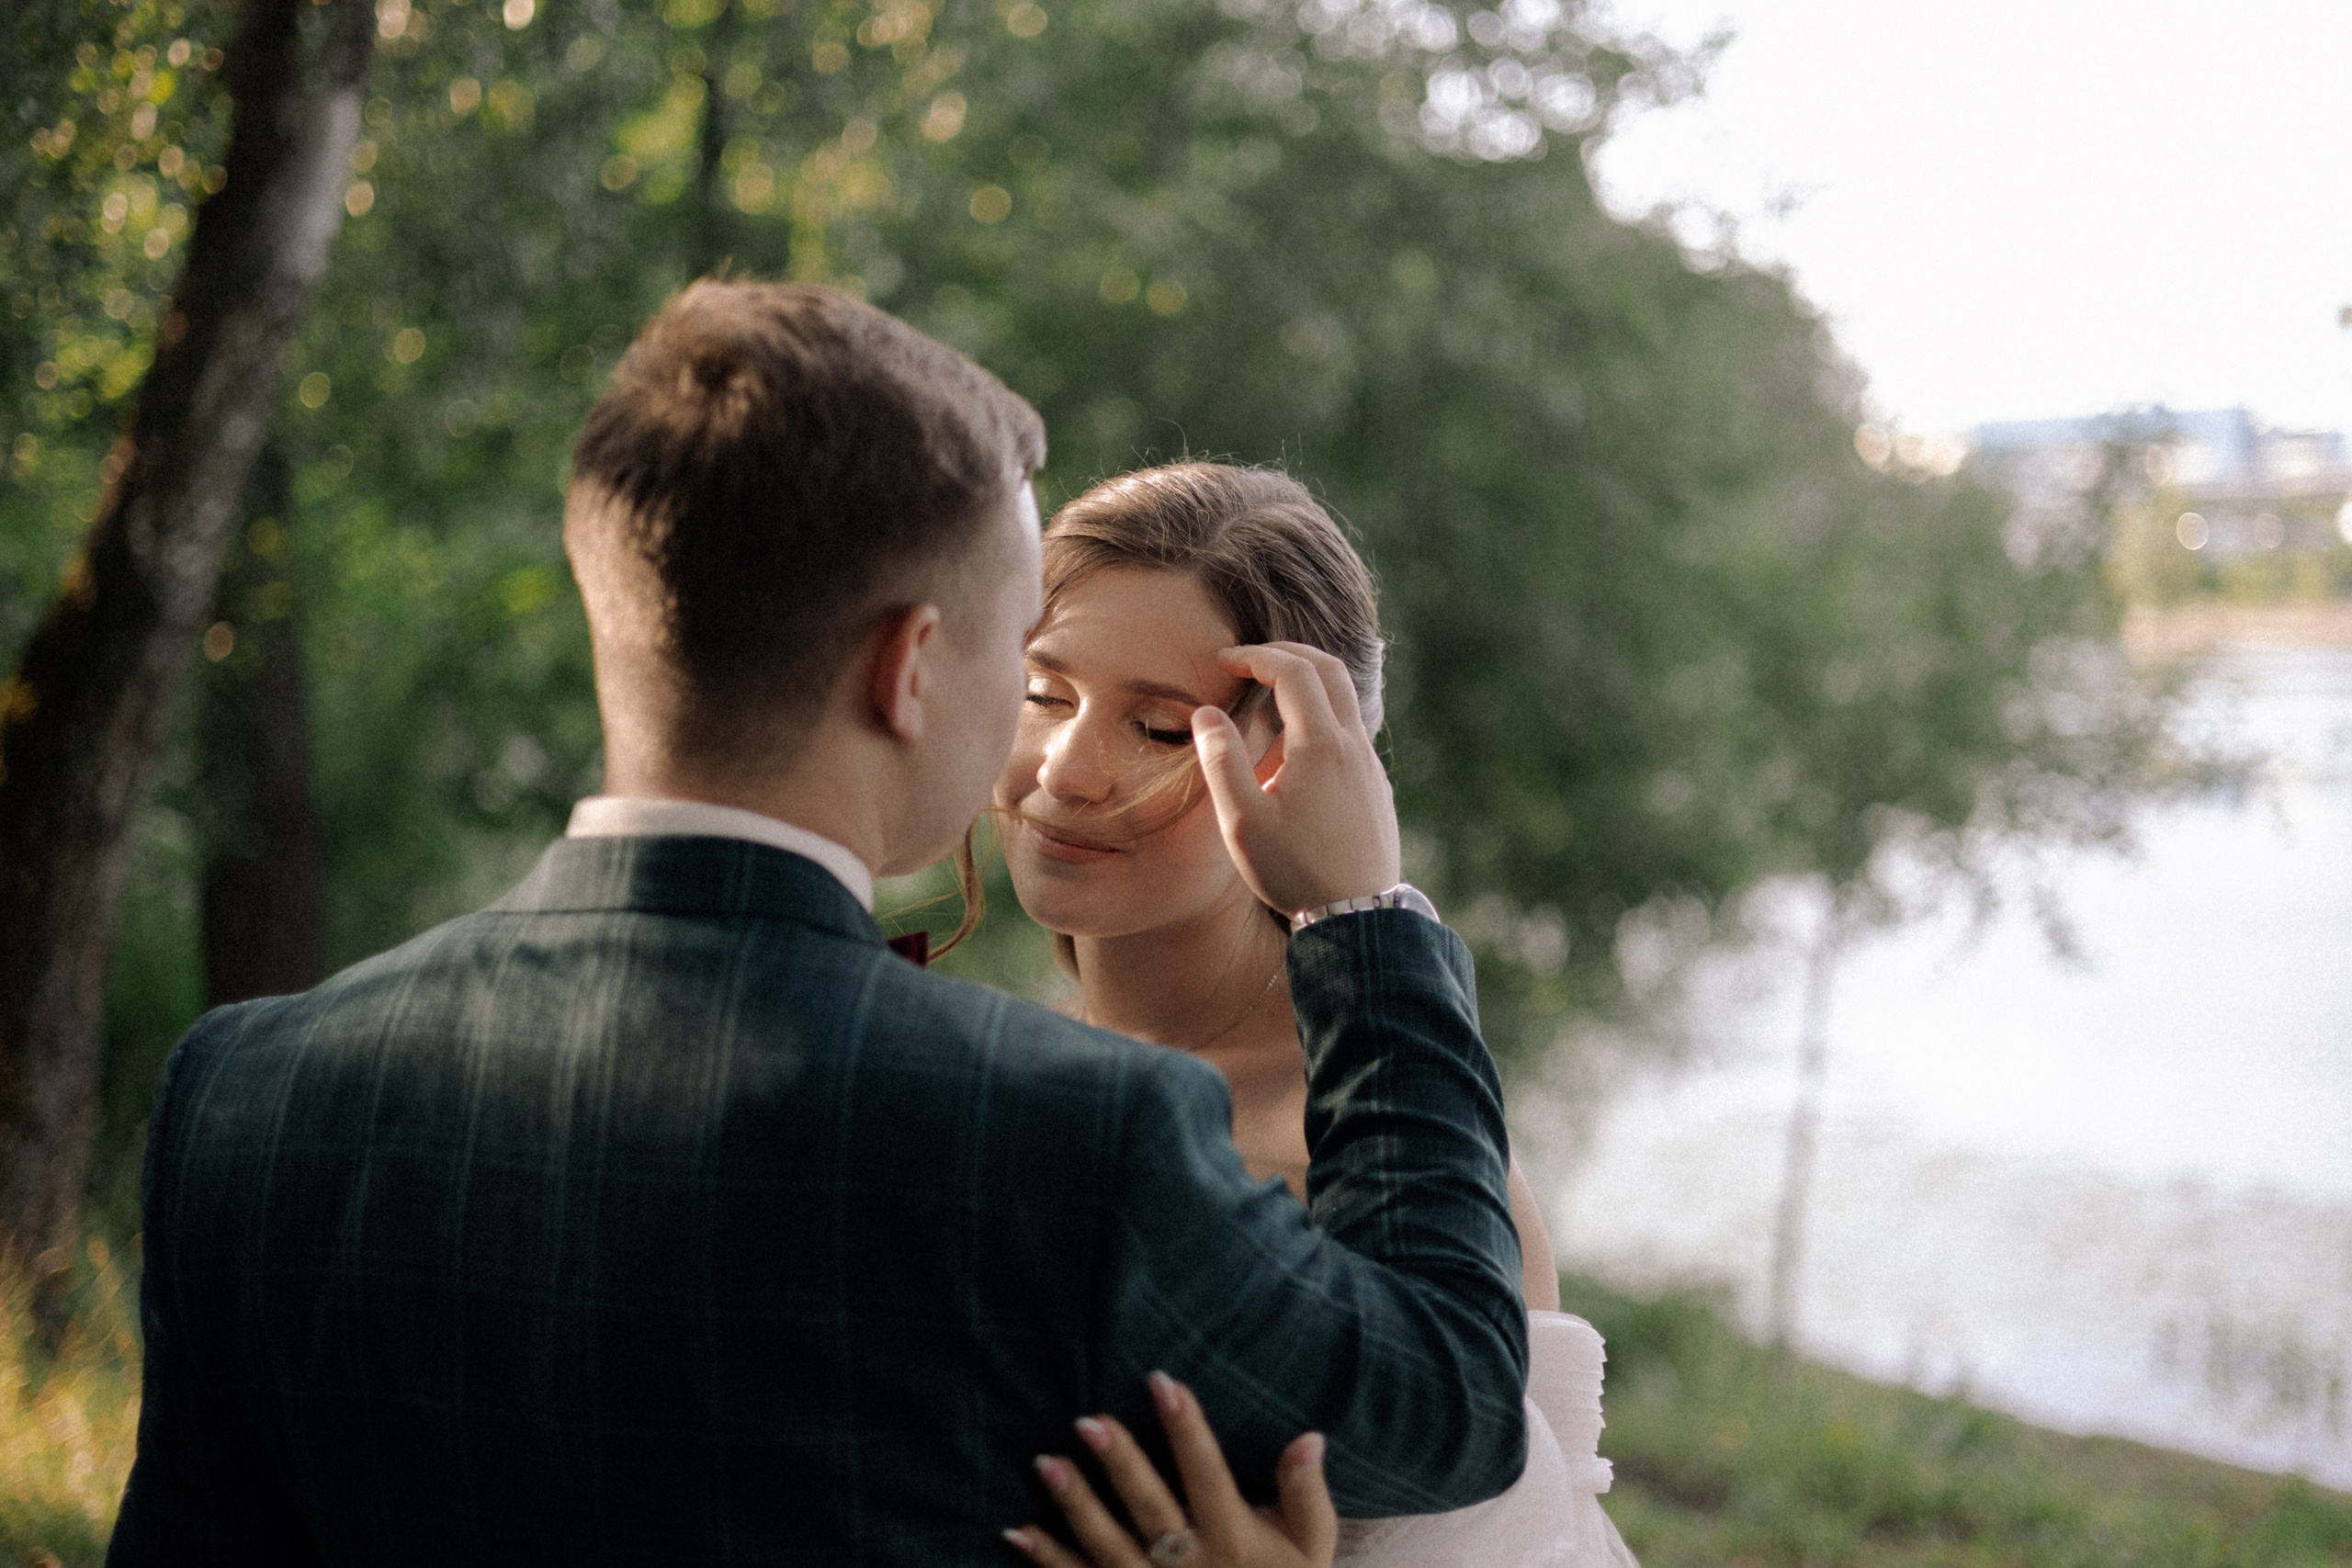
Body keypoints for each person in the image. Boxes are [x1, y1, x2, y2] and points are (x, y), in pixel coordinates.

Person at [107, 282, 1531, 1565]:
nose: (1054, 757)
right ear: (915, 665)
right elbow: (1456, 1395)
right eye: (1025, 670)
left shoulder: (244, 1089)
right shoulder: (1062, 1140)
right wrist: (1364, 916)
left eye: (1154, 722)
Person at [993, 463, 1640, 1568]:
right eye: (1044, 693)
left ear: (1295, 759)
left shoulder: (1372, 1158)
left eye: (1156, 729)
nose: (1067, 768)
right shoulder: (1012, 1062)